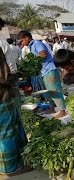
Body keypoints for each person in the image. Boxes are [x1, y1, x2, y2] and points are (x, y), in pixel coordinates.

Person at [0, 18, 29, 175]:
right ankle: (12, 167)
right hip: (3, 95)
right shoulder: (2, 44)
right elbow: (11, 71)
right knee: (7, 131)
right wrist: (18, 75)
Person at [18, 31, 66, 118]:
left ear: (26, 37)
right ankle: (52, 108)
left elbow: (43, 54)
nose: (22, 43)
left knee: (54, 90)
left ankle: (62, 110)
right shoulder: (31, 46)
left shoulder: (36, 43)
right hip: (44, 71)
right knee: (47, 92)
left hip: (49, 69)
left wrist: (32, 61)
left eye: (22, 40)